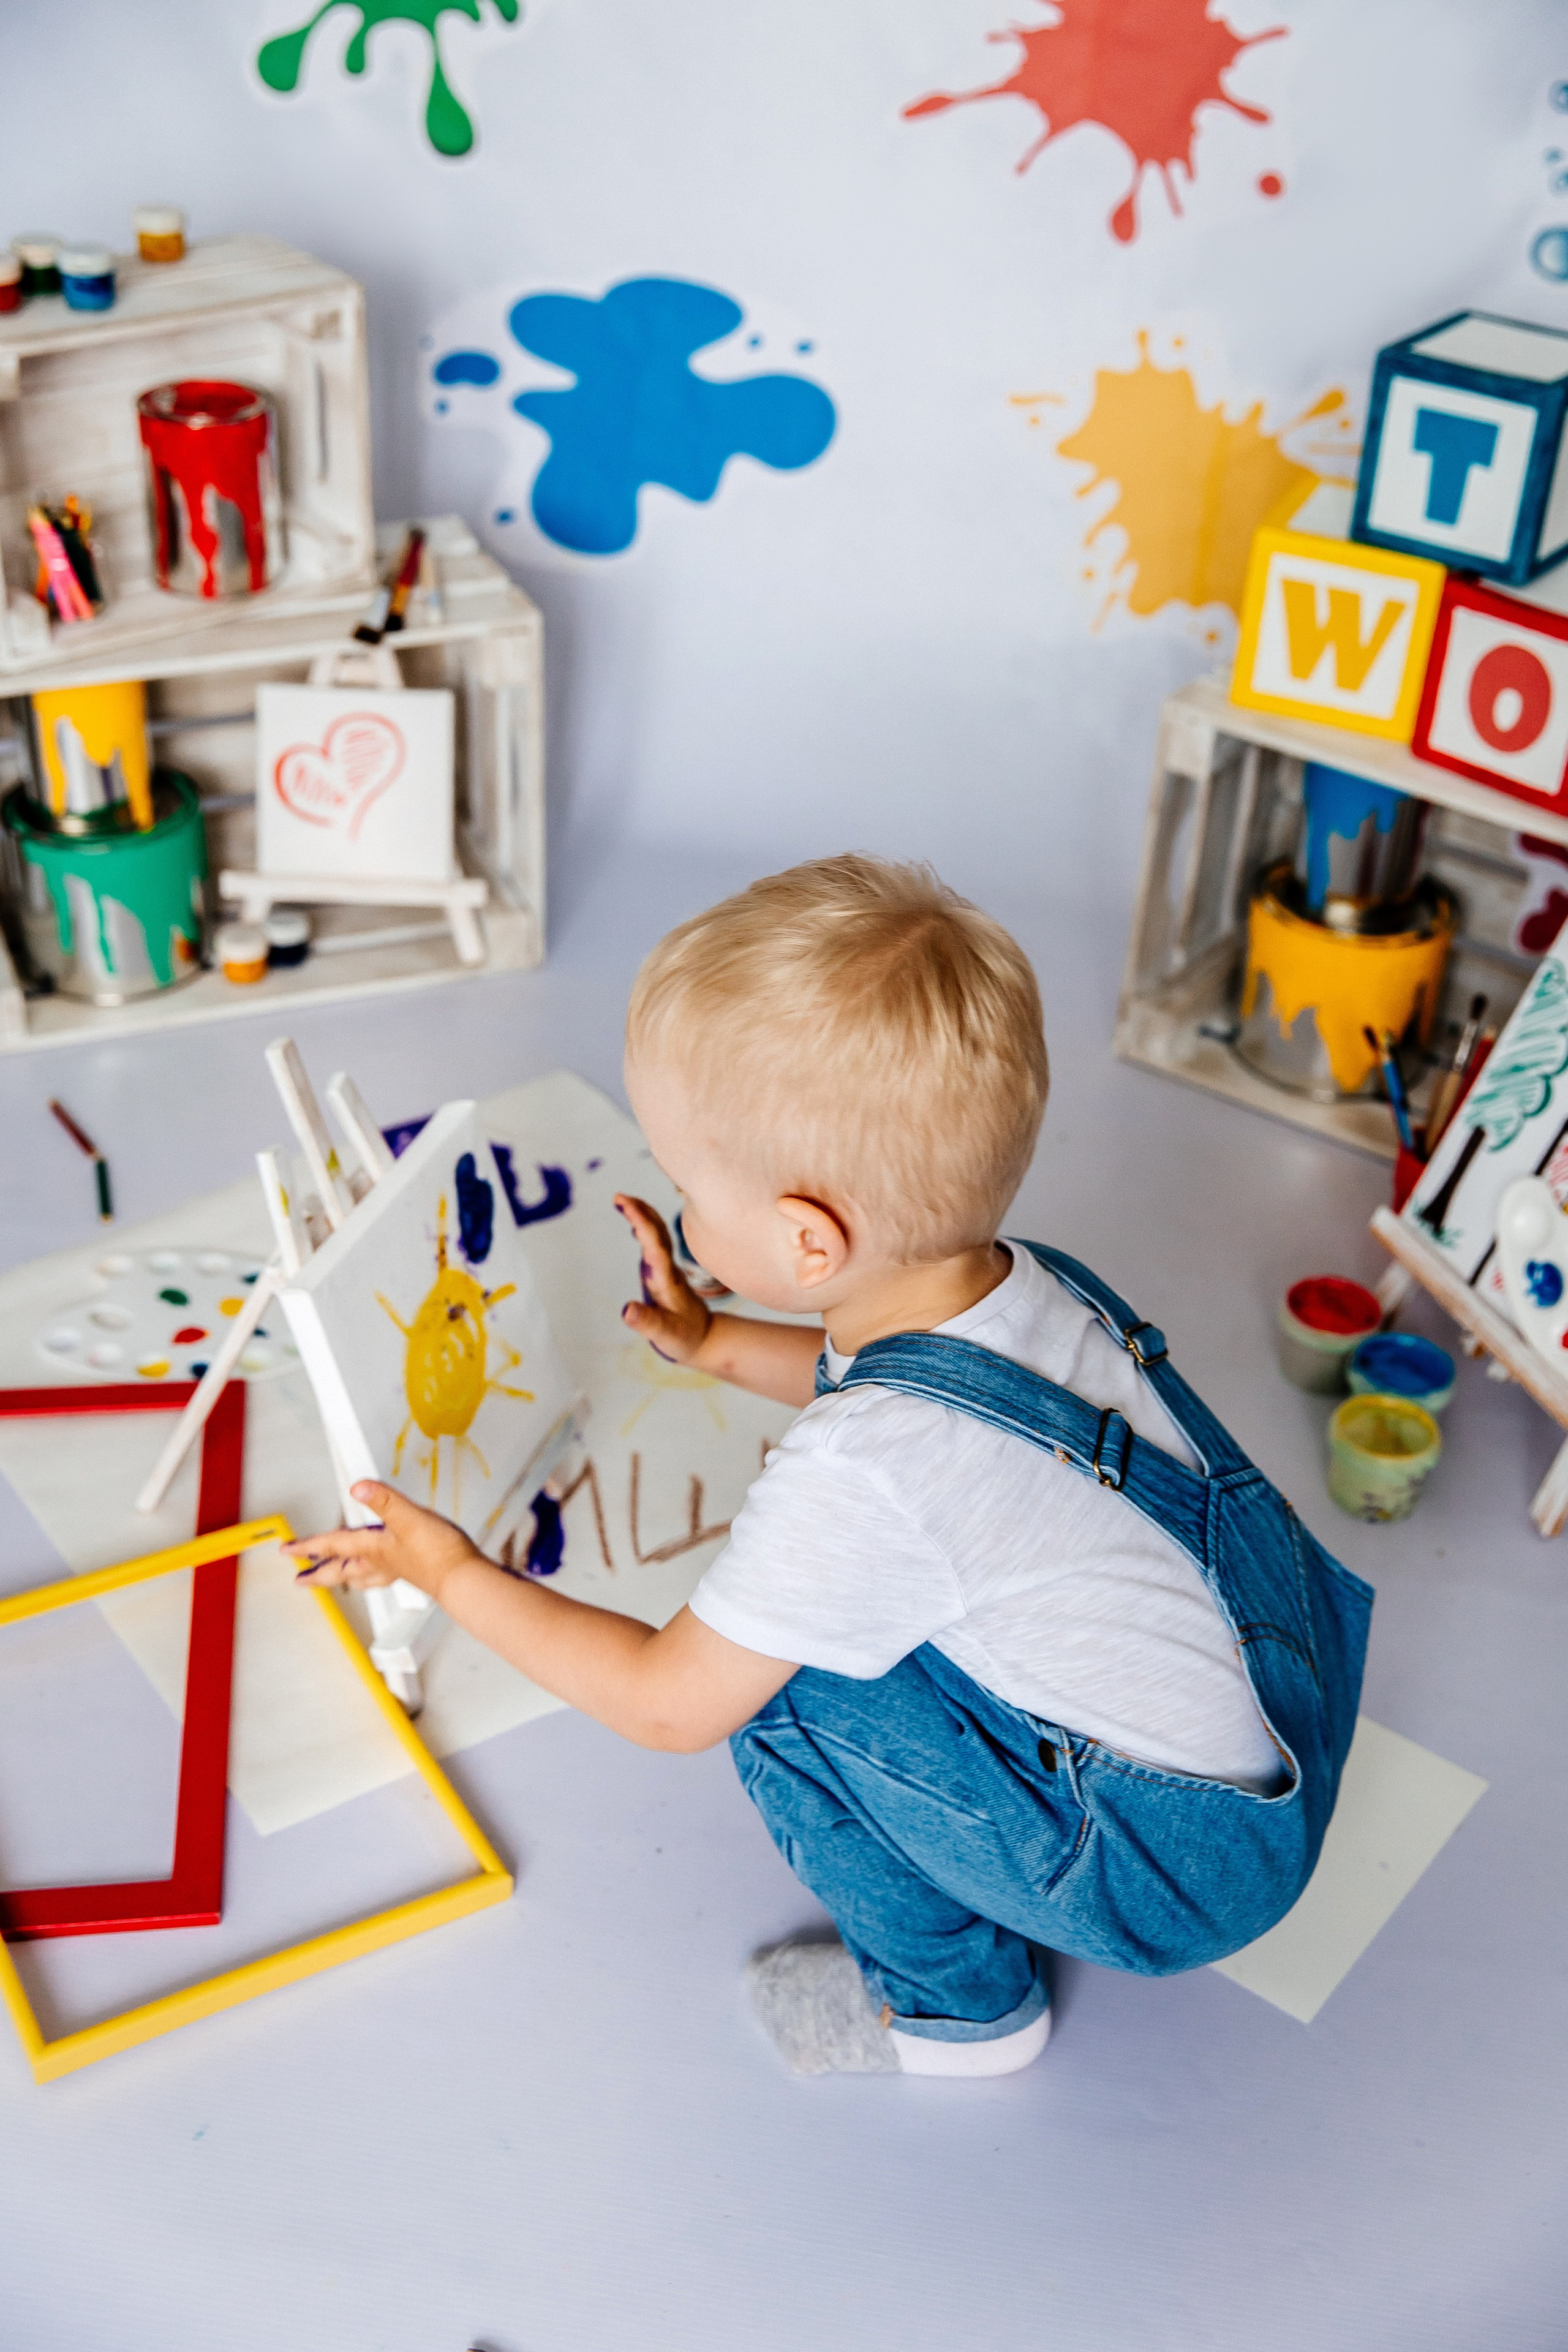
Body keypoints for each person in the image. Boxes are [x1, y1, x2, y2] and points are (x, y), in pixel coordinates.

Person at [291, 854, 1371, 2079]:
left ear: (807, 1238)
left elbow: (665, 1704)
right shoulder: (1028, 1281)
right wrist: (714, 1339)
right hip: (1287, 1727)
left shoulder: (867, 1478)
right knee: (841, 1613)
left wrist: (448, 1568)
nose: (681, 1213)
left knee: (787, 1695)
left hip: (1171, 1877)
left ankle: (958, 2016)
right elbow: (904, 1387)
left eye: (688, 1190)